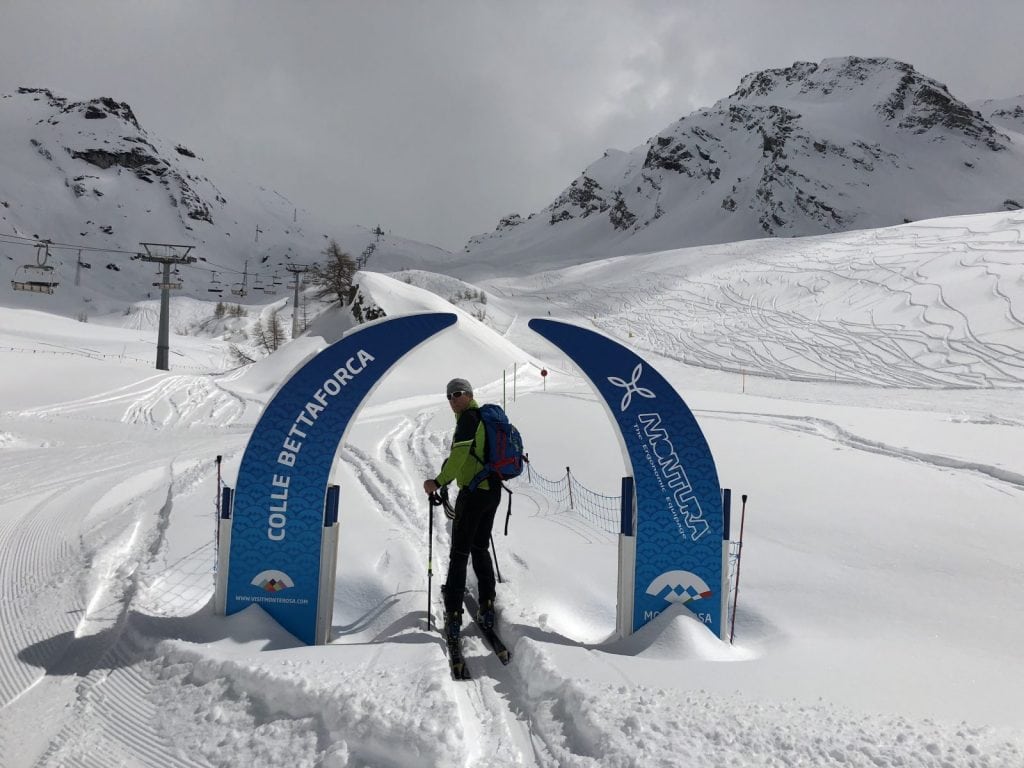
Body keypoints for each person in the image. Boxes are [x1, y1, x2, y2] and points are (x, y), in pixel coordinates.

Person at [423, 377, 502, 643]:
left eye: (457, 394)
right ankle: (487, 604)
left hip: (473, 494)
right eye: (449, 396)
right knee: (479, 548)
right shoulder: (483, 418)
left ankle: (454, 612)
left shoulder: (469, 419)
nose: (452, 400)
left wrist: (438, 481)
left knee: (459, 553)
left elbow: (458, 457)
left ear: (469, 394)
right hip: (492, 492)